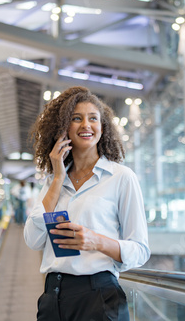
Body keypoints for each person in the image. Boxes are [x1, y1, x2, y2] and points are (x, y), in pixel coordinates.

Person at [24, 86, 150, 321]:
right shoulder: (54, 180)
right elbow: (33, 239)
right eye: (76, 119)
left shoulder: (121, 177)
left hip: (98, 297)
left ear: (103, 127)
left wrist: (96, 241)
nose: (86, 125)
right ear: (63, 129)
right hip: (52, 298)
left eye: (93, 119)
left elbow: (140, 251)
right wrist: (58, 178)